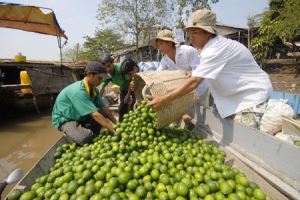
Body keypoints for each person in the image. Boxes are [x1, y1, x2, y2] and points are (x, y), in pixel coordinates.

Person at [148, 9, 273, 129]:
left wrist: (164, 99)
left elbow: (196, 81)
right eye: (190, 33)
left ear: (208, 32)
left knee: (246, 136)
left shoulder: (214, 49)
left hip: (251, 96)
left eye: (195, 33)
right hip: (231, 95)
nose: (191, 38)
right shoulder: (208, 48)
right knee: (223, 126)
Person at [52, 61, 117, 145]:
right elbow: (95, 115)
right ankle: (73, 132)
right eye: (99, 78)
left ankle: (85, 132)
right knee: (86, 137)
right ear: (90, 75)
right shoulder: (78, 91)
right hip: (66, 119)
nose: (101, 81)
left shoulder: (94, 90)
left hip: (79, 115)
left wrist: (117, 124)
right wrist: (114, 130)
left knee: (103, 112)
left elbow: (105, 109)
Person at [99, 55, 138, 121]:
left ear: (112, 63)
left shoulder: (121, 68)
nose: (107, 69)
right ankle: (121, 124)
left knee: (134, 105)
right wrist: (98, 99)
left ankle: (134, 120)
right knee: (122, 108)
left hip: (133, 86)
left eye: (109, 66)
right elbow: (102, 87)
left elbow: (130, 80)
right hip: (123, 88)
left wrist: (128, 95)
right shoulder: (106, 73)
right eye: (105, 68)